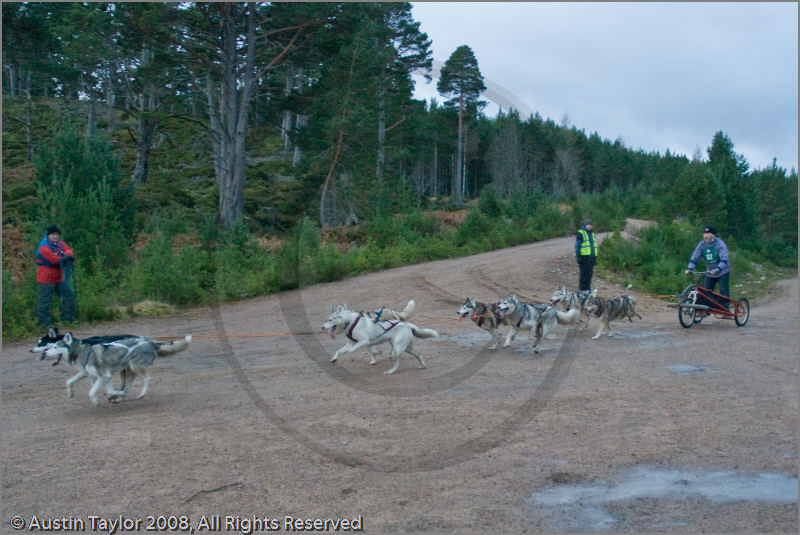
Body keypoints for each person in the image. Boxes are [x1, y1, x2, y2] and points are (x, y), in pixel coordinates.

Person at [36, 225, 77, 326]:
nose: (55, 236)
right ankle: (45, 324)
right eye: (53, 234)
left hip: (59, 277)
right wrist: (64, 258)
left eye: (57, 234)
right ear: (48, 235)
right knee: (45, 302)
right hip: (46, 277)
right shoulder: (43, 247)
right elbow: (54, 260)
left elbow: (68, 250)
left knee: (69, 297)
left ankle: (68, 319)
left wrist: (67, 255)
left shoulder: (59, 243)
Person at [685, 225, 730, 310]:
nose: (706, 235)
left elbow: (724, 259)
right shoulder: (702, 245)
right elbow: (695, 257)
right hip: (710, 272)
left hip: (722, 272)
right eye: (705, 234)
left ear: (713, 235)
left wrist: (718, 269)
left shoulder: (719, 244)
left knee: (723, 293)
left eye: (708, 233)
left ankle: (726, 309)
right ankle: (706, 310)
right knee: (705, 293)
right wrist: (690, 268)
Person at [575, 218, 598, 292]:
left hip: (591, 257)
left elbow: (593, 246)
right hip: (584, 257)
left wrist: (595, 257)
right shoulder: (581, 233)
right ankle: (582, 289)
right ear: (585, 225)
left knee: (589, 274)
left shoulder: (592, 234)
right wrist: (578, 256)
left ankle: (587, 289)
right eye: (588, 224)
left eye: (590, 224)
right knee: (583, 274)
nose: (589, 226)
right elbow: (577, 246)